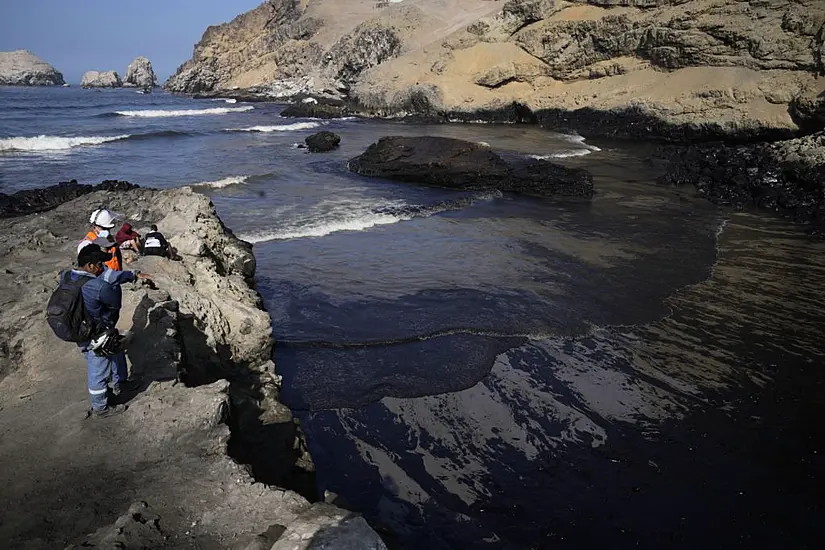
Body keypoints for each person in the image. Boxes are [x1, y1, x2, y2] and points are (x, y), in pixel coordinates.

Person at [67, 244, 151, 418]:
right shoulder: (97, 287)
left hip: (79, 330)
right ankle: (101, 407)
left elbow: (112, 276)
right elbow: (114, 304)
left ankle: (119, 383)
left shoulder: (68, 277)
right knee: (98, 369)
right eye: (99, 264)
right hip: (96, 334)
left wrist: (130, 275)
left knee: (115, 352)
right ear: (90, 265)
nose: (102, 267)